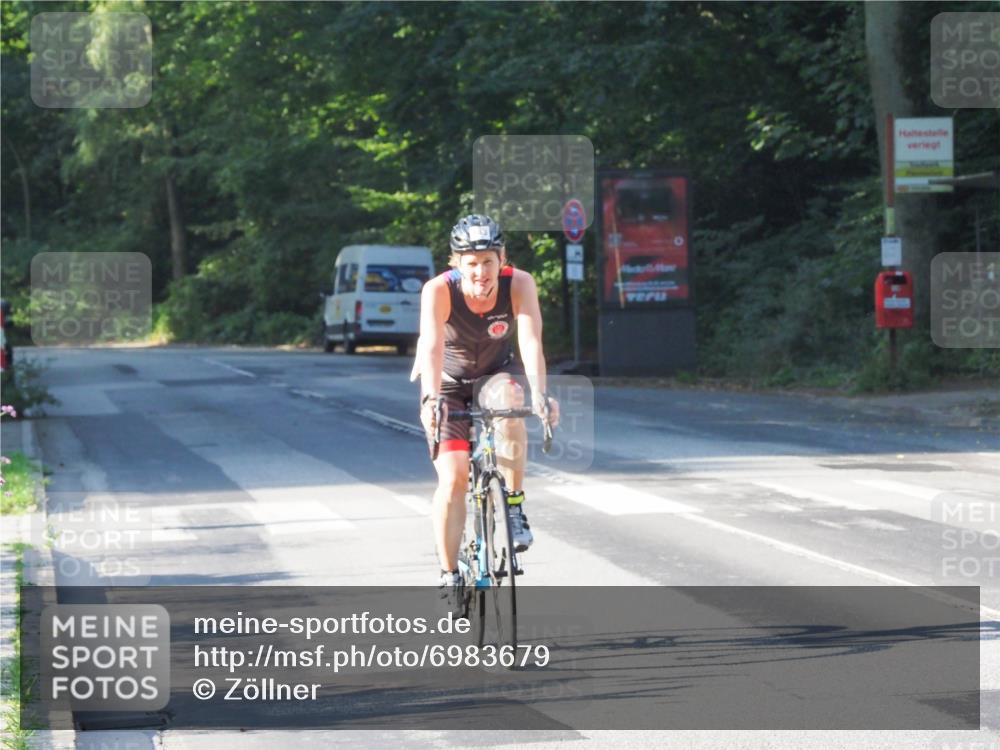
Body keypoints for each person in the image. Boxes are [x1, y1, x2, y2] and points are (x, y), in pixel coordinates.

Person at [410, 214, 560, 613]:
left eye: (488, 261)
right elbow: (431, 346)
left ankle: (512, 508)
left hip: (495, 373)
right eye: (471, 263)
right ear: (455, 263)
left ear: (502, 259)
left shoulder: (520, 284)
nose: (480, 271)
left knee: (512, 400)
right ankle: (449, 573)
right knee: (455, 477)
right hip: (449, 382)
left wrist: (541, 394)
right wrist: (430, 400)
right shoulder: (438, 290)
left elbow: (530, 340)